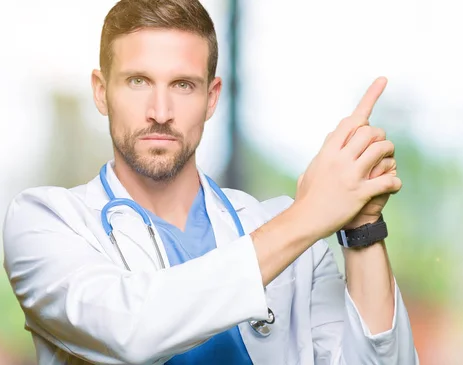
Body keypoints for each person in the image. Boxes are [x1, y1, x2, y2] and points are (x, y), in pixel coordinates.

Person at [2, 1, 419, 364]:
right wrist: (310, 214)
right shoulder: (46, 221)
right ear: (100, 91)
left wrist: (361, 226)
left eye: (183, 85)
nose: (160, 111)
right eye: (138, 81)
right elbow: (130, 330)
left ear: (212, 97)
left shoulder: (287, 237)